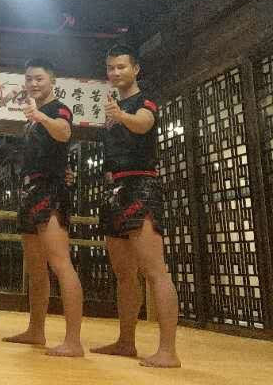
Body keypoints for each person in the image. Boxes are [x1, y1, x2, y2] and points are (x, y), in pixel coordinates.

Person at [93, 45, 180, 368]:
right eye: (110, 68)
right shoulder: (114, 106)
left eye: (121, 67)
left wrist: (120, 116)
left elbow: (144, 124)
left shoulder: (145, 99)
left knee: (155, 270)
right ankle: (126, 342)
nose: (115, 72)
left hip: (141, 186)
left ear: (136, 69)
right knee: (123, 274)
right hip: (114, 190)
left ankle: (168, 351)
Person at [3, 58, 84, 357]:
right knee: (36, 269)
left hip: (51, 190)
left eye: (39, 78)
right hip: (30, 190)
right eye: (29, 79)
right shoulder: (32, 115)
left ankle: (73, 341)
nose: (33, 84)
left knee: (60, 263)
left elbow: (64, 132)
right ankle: (36, 330)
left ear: (52, 80)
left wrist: (40, 117)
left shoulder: (58, 109)